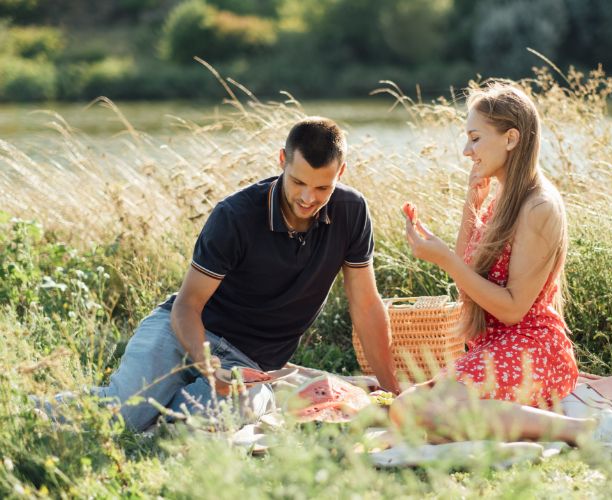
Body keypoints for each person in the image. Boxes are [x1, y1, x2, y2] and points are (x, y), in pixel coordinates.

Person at [47, 117, 399, 432]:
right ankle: (33, 410)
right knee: (126, 414)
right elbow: (188, 305)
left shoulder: (352, 212)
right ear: (282, 160)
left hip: (249, 365)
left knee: (214, 416)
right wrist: (207, 368)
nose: (308, 198)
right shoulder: (236, 215)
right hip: (181, 333)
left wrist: (390, 391)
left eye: (323, 188)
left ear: (341, 173)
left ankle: (165, 414)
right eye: (298, 182)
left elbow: (366, 305)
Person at [390, 84, 612, 467]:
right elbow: (468, 279)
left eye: (475, 138)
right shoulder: (502, 197)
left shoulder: (538, 206)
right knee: (406, 411)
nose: (467, 151)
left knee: (420, 415)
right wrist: (471, 202)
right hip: (498, 347)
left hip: (535, 348)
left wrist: (446, 260)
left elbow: (514, 309)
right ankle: (563, 420)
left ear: (511, 138)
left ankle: (598, 430)